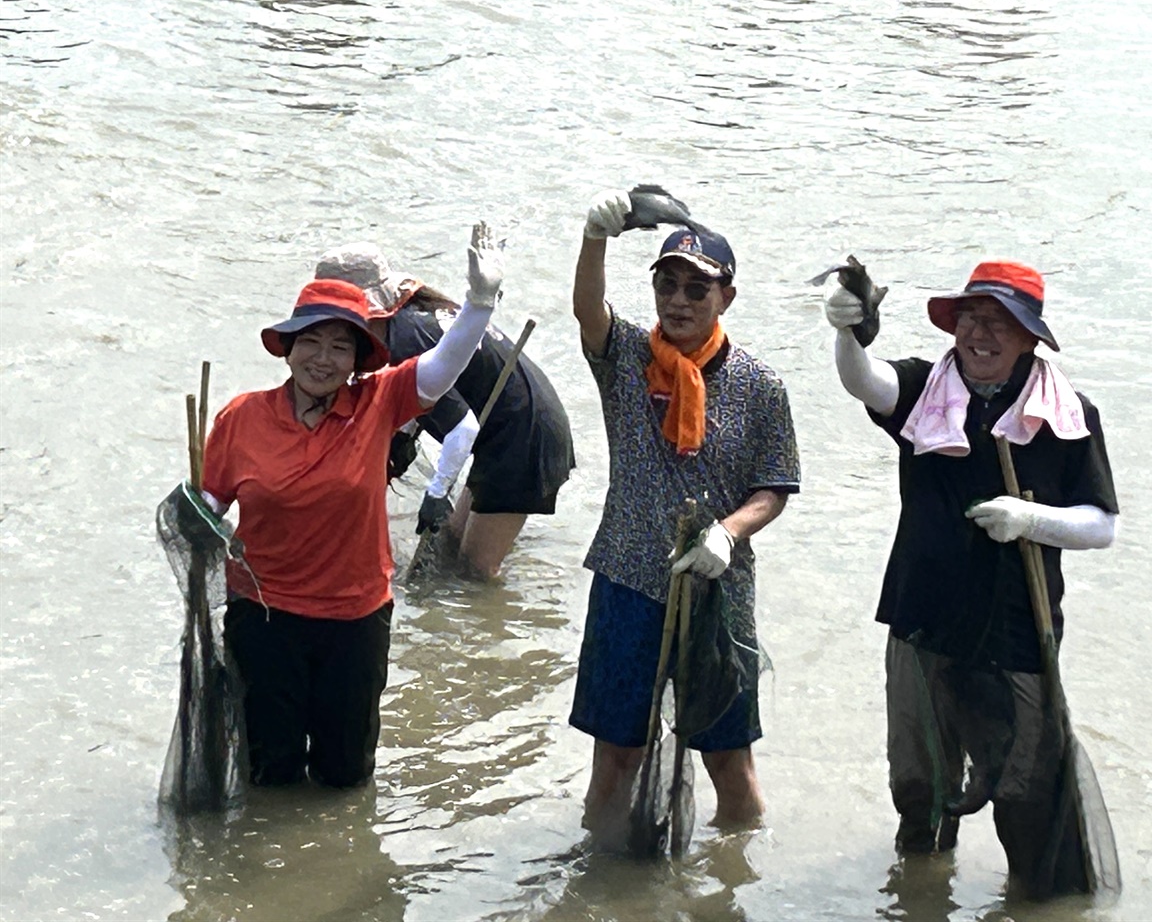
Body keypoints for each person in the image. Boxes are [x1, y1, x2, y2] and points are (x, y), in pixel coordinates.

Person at [823, 259, 1119, 890]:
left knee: (1025, 791)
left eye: (1000, 324)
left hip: (1017, 632)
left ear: (1028, 339)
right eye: (971, 320)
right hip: (921, 620)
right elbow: (863, 382)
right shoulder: (924, 389)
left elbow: (1101, 525)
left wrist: (1030, 519)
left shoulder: (1068, 415)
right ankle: (921, 886)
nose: (981, 335)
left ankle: (1029, 891)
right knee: (918, 784)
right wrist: (847, 332)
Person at [183, 223, 505, 789]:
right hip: (263, 618)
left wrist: (480, 303)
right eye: (311, 340)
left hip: (354, 622)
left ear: (359, 358)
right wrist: (194, 518)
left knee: (344, 776)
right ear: (287, 346)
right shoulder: (241, 417)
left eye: (340, 346)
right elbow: (209, 506)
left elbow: (445, 365)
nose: (323, 358)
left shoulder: (379, 402)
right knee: (270, 772)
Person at [569, 189, 801, 836]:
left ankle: (731, 885)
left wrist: (729, 534)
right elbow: (588, 311)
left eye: (696, 291)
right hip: (626, 578)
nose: (678, 301)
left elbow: (775, 487)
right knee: (616, 756)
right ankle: (601, 884)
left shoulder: (760, 387)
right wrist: (596, 236)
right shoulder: (627, 359)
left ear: (726, 297)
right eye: (667, 285)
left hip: (716, 592)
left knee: (730, 763)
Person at [314, 242, 575, 580]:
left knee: (476, 569)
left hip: (524, 437)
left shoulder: (404, 343)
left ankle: (499, 623)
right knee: (449, 544)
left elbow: (462, 426)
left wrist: (436, 492)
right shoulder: (407, 325)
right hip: (508, 429)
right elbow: (425, 398)